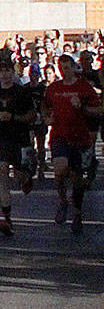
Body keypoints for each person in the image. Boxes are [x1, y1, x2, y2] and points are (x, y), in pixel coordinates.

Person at [43, 53, 101, 235]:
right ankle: (62, 200)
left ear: (73, 67)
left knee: (77, 179)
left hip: (80, 137)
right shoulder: (54, 88)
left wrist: (83, 108)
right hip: (60, 136)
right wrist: (47, 117)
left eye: (67, 68)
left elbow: (99, 110)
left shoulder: (83, 87)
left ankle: (77, 213)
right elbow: (44, 105)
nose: (64, 71)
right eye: (61, 68)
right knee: (60, 170)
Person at [0, 52, 38, 236]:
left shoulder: (21, 92)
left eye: (8, 70)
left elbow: (32, 115)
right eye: (1, 71)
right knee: (2, 172)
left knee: (20, 173)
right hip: (0, 137)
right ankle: (7, 217)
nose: (5, 74)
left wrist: (14, 117)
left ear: (13, 72)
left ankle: (26, 177)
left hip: (19, 137)